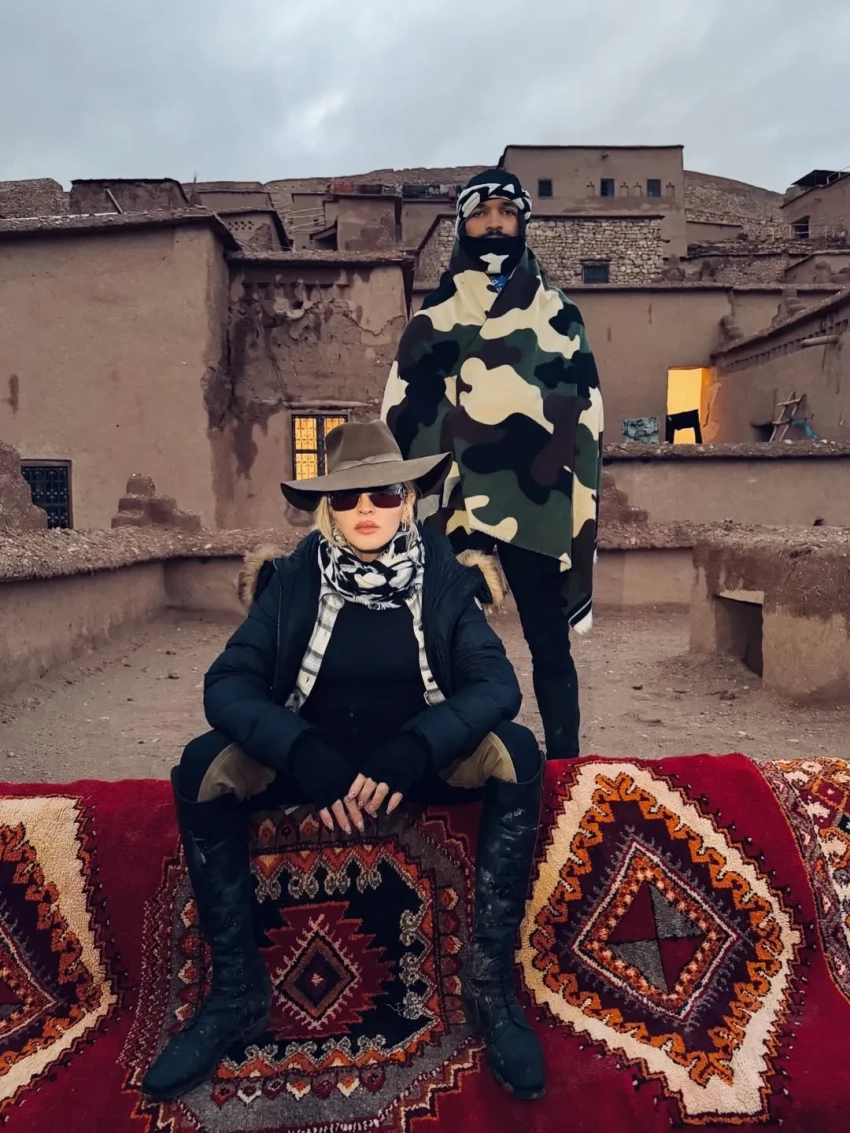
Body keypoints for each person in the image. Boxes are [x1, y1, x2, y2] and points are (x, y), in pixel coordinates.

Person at [142, 420, 546, 1104]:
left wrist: (415, 747)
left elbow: (496, 685)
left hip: (416, 758)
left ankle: (488, 986)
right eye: (348, 496)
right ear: (327, 507)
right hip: (313, 756)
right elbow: (228, 685)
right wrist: (305, 755)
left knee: (517, 750)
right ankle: (237, 992)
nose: (367, 509)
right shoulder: (292, 579)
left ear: (407, 500)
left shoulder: (445, 579)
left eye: (384, 493)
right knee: (203, 765)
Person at [382, 168, 604, 759]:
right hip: (455, 503)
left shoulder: (560, 313)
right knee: (451, 640)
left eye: (506, 212)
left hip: (536, 498)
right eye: (481, 213)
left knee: (549, 643)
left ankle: (563, 765)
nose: (495, 224)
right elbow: (404, 412)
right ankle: (455, 760)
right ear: (463, 224)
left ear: (522, 221)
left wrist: (577, 496)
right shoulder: (433, 318)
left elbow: (585, 412)